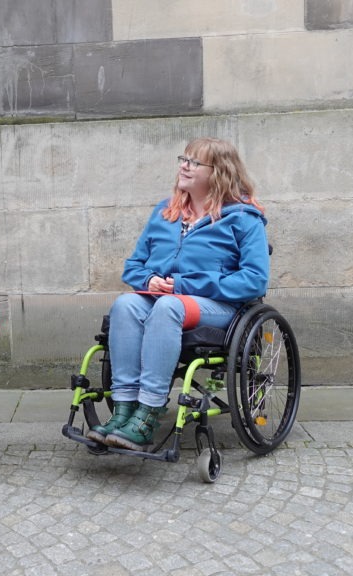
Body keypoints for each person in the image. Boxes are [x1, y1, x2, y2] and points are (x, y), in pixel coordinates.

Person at [86, 137, 270, 451]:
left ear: (218, 172)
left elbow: (255, 280)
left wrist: (187, 285)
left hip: (220, 308)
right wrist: (149, 279)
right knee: (126, 304)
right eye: (183, 159)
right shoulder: (165, 212)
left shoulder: (242, 219)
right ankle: (124, 409)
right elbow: (132, 266)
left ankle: (149, 413)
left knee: (169, 306)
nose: (184, 165)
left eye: (194, 162)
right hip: (163, 301)